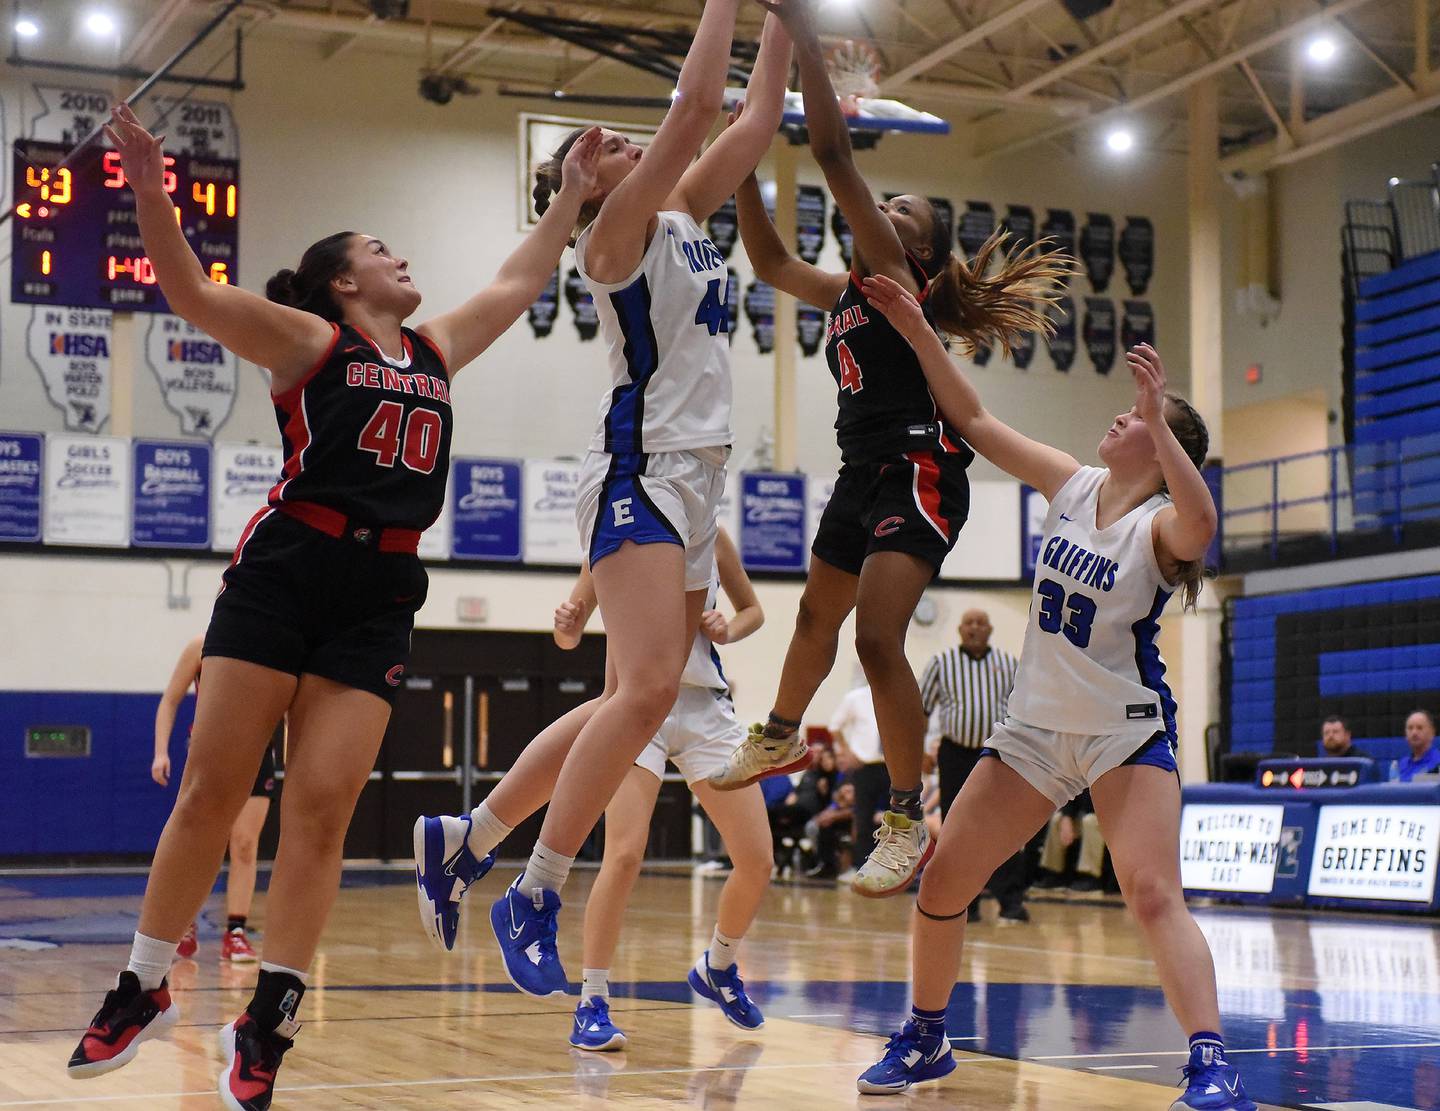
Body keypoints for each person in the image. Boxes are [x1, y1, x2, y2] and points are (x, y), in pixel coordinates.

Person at [66, 102, 603, 1109]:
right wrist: (149, 191)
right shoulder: (308, 340)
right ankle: (141, 982)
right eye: (381, 248)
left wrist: (571, 193)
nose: (403, 258)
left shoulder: (438, 347)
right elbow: (186, 291)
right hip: (286, 569)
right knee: (211, 792)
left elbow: (523, 278)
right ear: (345, 281)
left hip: (381, 589)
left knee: (320, 814)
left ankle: (268, 1014)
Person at [409, 1, 795, 1002]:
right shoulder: (612, 241)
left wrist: (787, 20)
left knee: (634, 699)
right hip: (641, 470)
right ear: (585, 188)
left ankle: (469, 837)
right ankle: (532, 890)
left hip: (691, 476)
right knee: (644, 692)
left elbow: (751, 124)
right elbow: (705, 99)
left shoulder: (679, 218)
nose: (623, 140)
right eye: (603, 146)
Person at [849, 279, 1256, 1110]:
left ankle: (1212, 1062)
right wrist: (918, 330)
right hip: (1033, 731)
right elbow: (977, 422)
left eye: (1135, 414)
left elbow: (1203, 522)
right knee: (941, 885)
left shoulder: (1161, 529)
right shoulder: (1072, 485)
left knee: (1150, 893)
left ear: (1164, 446)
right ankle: (927, 1035)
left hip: (1121, 733)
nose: (1117, 416)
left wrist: (1161, 411)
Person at [708, 0, 1070, 899]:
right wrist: (741, 163)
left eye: (901, 207)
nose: (887, 205)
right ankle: (781, 728)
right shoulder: (846, 290)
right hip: (860, 471)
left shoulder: (897, 278)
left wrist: (802, 37)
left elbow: (833, 156)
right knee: (811, 621)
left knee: (876, 637)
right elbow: (770, 265)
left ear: (919, 245)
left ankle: (905, 819)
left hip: (922, 466)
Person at [545, 530, 772, 1050]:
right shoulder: (616, 533)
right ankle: (591, 1002)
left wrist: (728, 629)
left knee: (758, 860)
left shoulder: (714, 538)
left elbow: (752, 610)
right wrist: (567, 625)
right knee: (624, 854)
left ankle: (718, 966)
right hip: (636, 705)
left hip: (706, 710)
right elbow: (568, 634)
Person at [153, 635, 278, 963]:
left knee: (245, 844)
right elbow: (169, 701)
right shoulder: (201, 647)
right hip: (210, 747)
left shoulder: (275, 645)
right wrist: (160, 752)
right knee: (201, 840)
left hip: (258, 750)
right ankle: (184, 922)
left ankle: (236, 933)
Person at [919, 609, 1026, 922]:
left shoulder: (1008, 664)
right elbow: (921, 709)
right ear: (959, 629)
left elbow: (1021, 709)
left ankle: (1011, 903)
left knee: (1004, 827)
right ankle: (966, 904)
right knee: (957, 829)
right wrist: (919, 751)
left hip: (996, 755)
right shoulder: (941, 663)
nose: (976, 628)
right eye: (970, 623)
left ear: (990, 629)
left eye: (981, 623)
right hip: (954, 755)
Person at [828, 682, 889, 884]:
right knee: (862, 818)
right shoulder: (855, 697)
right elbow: (835, 726)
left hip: (893, 765)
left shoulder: (897, 692)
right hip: (865, 765)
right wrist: (846, 751)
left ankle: (893, 870)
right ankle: (860, 868)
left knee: (898, 819)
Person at [1035, 791, 1106, 894]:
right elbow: (1072, 795)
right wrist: (1067, 817)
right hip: (1083, 815)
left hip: (1105, 818)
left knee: (1090, 821)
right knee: (1057, 820)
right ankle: (1054, 874)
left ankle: (1090, 877)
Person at [1398, 709, 1440, 781]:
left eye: (1420, 728)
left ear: (1432, 733)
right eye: (1410, 728)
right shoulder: (1401, 765)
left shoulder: (1438, 762)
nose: (1414, 733)